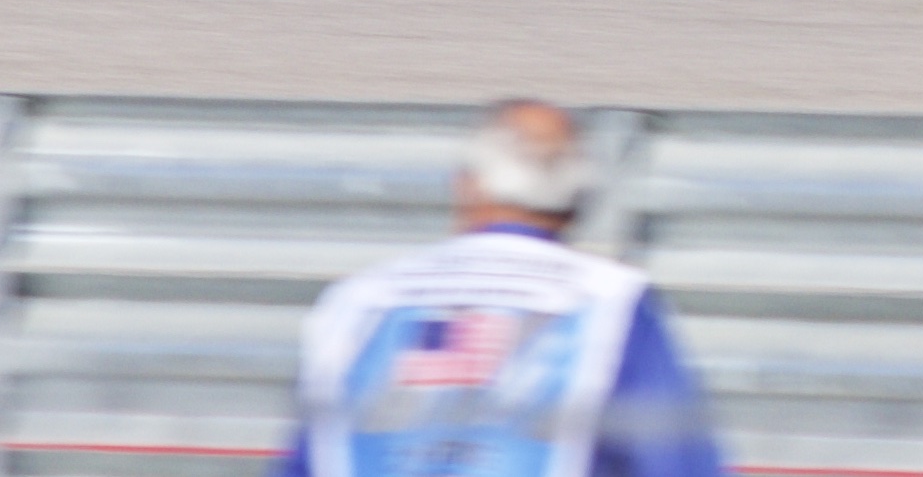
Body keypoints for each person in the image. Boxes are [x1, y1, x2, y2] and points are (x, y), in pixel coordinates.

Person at [267, 100, 725, 477]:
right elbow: (674, 461)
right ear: (578, 201)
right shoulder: (611, 302)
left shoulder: (359, 301)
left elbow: (305, 459)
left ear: (467, 187)